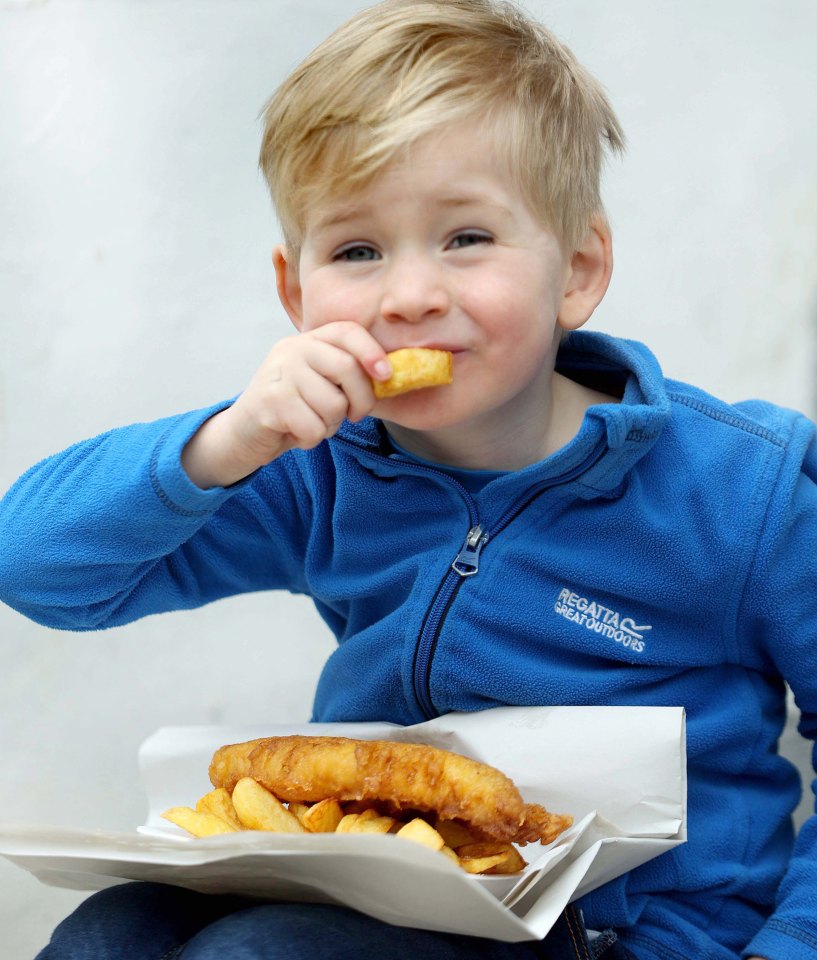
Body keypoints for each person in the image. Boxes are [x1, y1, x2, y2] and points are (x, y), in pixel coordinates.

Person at [0, 0, 814, 957]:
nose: (409, 294)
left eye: (465, 236)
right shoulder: (312, 465)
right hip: (372, 895)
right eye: (356, 251)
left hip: (624, 931)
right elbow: (34, 567)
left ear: (578, 268)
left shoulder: (742, 489)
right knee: (110, 934)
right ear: (296, 294)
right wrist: (221, 444)